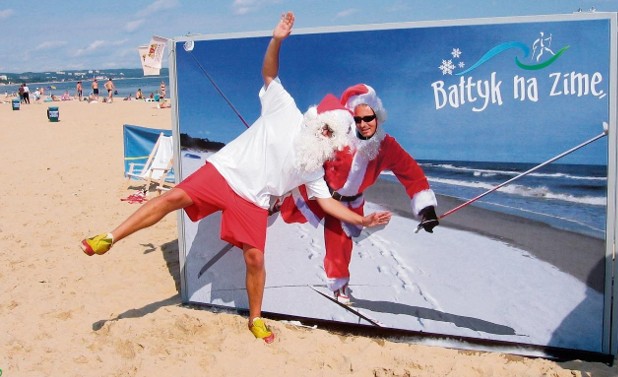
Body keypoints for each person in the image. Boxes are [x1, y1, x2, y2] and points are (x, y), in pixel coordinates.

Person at [80, 11, 391, 343]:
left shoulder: (313, 167)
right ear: (317, 119)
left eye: (331, 135)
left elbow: (327, 203)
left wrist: (362, 220)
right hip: (223, 173)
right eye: (325, 126)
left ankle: (255, 318)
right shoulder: (286, 110)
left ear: (335, 144)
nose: (324, 133)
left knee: (255, 258)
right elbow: (269, 73)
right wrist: (276, 40)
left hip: (253, 201)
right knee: (171, 198)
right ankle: (110, 237)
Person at [278, 83, 439, 304]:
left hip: (350, 204)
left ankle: (338, 285)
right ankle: (277, 202)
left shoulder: (386, 146)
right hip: (323, 192)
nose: (363, 125)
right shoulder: (338, 135)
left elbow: (410, 171)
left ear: (377, 118)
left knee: (340, 245)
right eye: (358, 119)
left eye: (369, 118)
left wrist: (426, 208)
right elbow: (308, 153)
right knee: (288, 213)